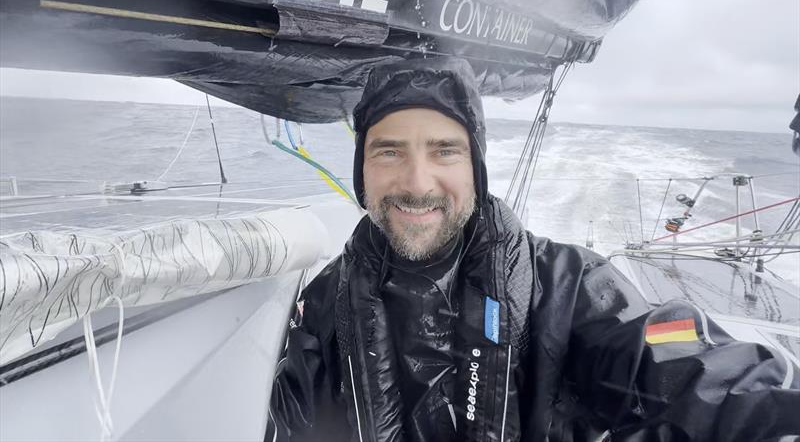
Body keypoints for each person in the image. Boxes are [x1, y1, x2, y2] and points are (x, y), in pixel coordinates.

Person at [268, 58, 800, 442]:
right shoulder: (319, 305)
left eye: (444, 151)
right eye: (389, 152)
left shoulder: (573, 286)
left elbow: (685, 367)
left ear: (475, 170)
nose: (417, 180)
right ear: (362, 172)